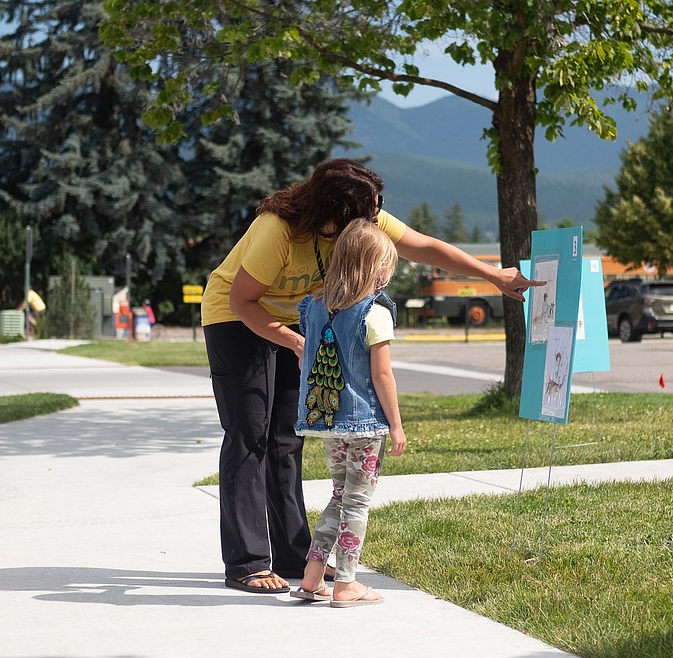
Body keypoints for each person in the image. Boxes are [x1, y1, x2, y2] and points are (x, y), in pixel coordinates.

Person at [201, 158, 540, 594]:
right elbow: (243, 300)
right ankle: (247, 563)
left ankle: (291, 555)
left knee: (288, 438)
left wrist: (493, 275)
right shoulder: (278, 229)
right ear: (333, 215)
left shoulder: (360, 211)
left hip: (297, 323)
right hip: (236, 318)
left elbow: (423, 246)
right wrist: (294, 341)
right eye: (366, 215)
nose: (373, 222)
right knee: (250, 434)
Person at [288, 219, 404, 607]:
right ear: (380, 269)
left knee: (339, 494)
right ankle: (347, 583)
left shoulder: (315, 308)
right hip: (366, 424)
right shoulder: (375, 313)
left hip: (328, 421)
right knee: (357, 501)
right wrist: (397, 425)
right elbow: (382, 374)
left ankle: (312, 576)